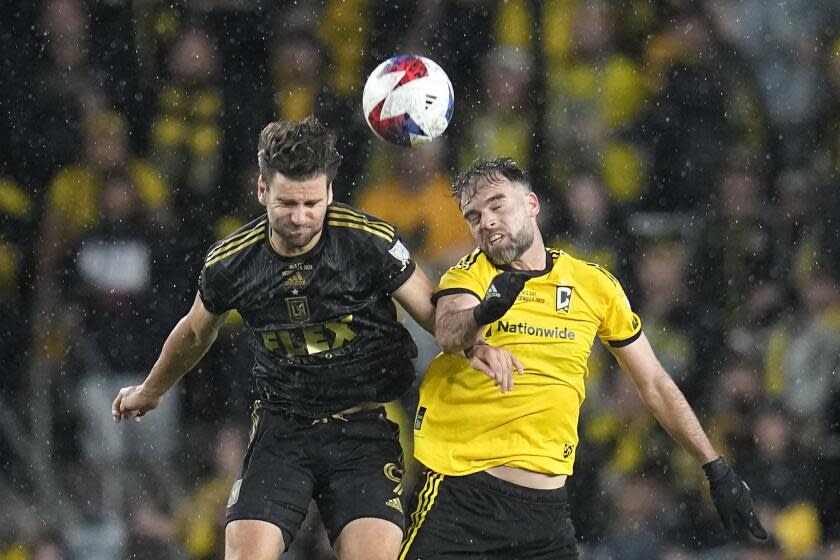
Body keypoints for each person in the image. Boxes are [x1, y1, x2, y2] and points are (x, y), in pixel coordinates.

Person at [399, 157, 767, 560]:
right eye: (473, 216)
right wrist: (486, 310)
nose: (485, 222)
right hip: (461, 498)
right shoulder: (470, 274)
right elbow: (449, 330)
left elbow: (655, 384)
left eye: (497, 205)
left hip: (546, 513)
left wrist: (715, 467)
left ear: (533, 205)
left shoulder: (593, 283)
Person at [113, 116, 441, 560]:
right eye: (287, 203)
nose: (301, 217)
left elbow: (437, 316)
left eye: (312, 203)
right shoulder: (232, 262)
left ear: (329, 192)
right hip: (282, 429)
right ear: (262, 191)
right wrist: (151, 391)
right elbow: (193, 333)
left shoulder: (369, 242)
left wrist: (484, 342)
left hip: (362, 429)